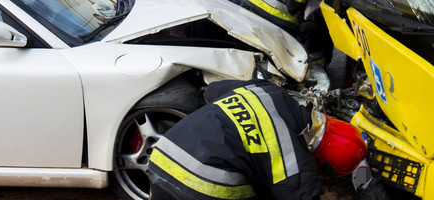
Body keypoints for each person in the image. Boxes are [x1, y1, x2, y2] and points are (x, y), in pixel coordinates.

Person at [147, 79, 382, 200]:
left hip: (162, 158)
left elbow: (213, 91)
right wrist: (368, 192)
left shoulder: (269, 91)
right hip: (203, 187)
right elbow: (303, 195)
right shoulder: (295, 159)